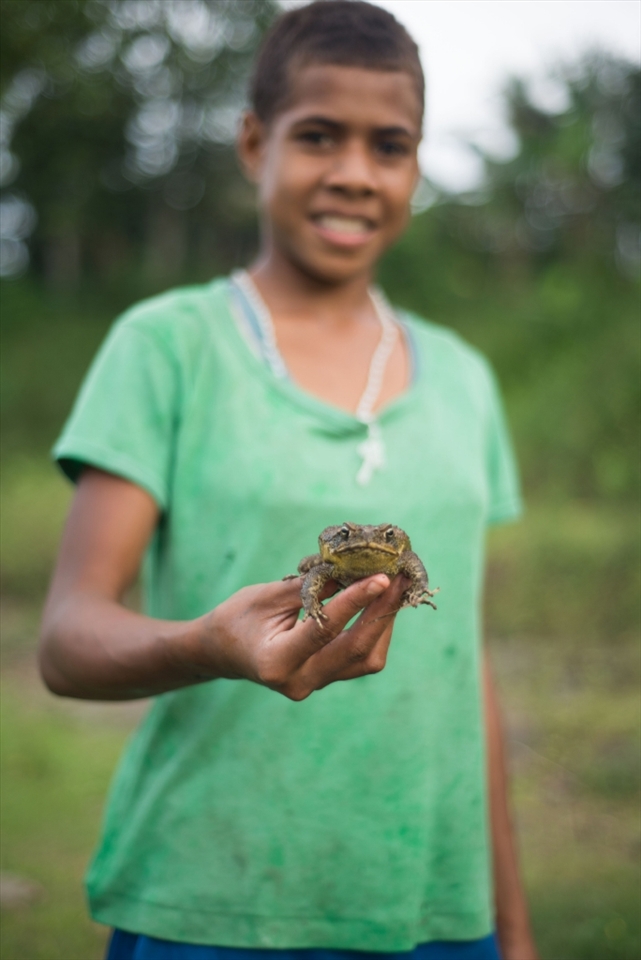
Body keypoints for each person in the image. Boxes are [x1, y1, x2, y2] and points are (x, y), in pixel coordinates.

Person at [39, 3, 539, 960]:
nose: (353, 171)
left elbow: (460, 671)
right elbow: (66, 641)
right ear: (253, 142)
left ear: (417, 165)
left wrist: (510, 927)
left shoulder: (467, 378)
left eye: (387, 144)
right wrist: (205, 644)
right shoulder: (165, 346)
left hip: (432, 904)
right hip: (210, 902)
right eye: (318, 136)